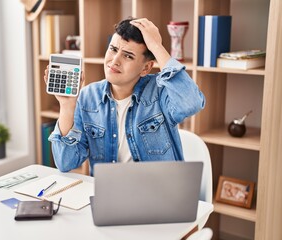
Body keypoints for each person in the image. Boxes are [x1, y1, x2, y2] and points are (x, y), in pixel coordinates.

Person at [46, 17, 205, 175]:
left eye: (128, 56)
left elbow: (191, 103)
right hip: (111, 194)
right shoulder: (88, 97)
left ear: (146, 68)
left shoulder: (161, 91)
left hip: (160, 194)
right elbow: (65, 163)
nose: (114, 61)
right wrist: (67, 107)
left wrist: (156, 46)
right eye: (113, 49)